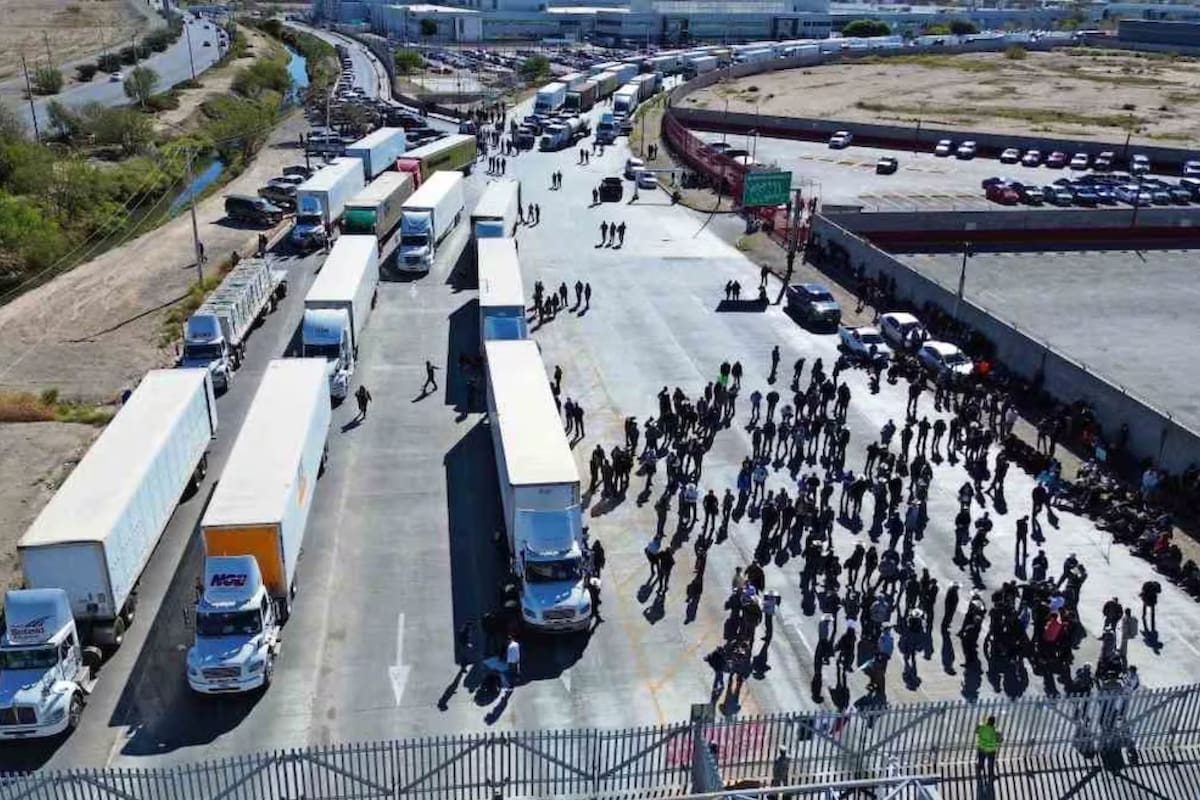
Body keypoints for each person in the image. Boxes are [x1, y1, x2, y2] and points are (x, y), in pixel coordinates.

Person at [975, 716, 1001, 783]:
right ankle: (991, 776)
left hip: (981, 747)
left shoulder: (982, 727)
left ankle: (979, 769)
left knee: (981, 760)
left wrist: (981, 723)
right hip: (991, 750)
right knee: (990, 763)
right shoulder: (996, 731)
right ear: (994, 723)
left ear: (987, 720)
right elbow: (1000, 740)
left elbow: (976, 731)